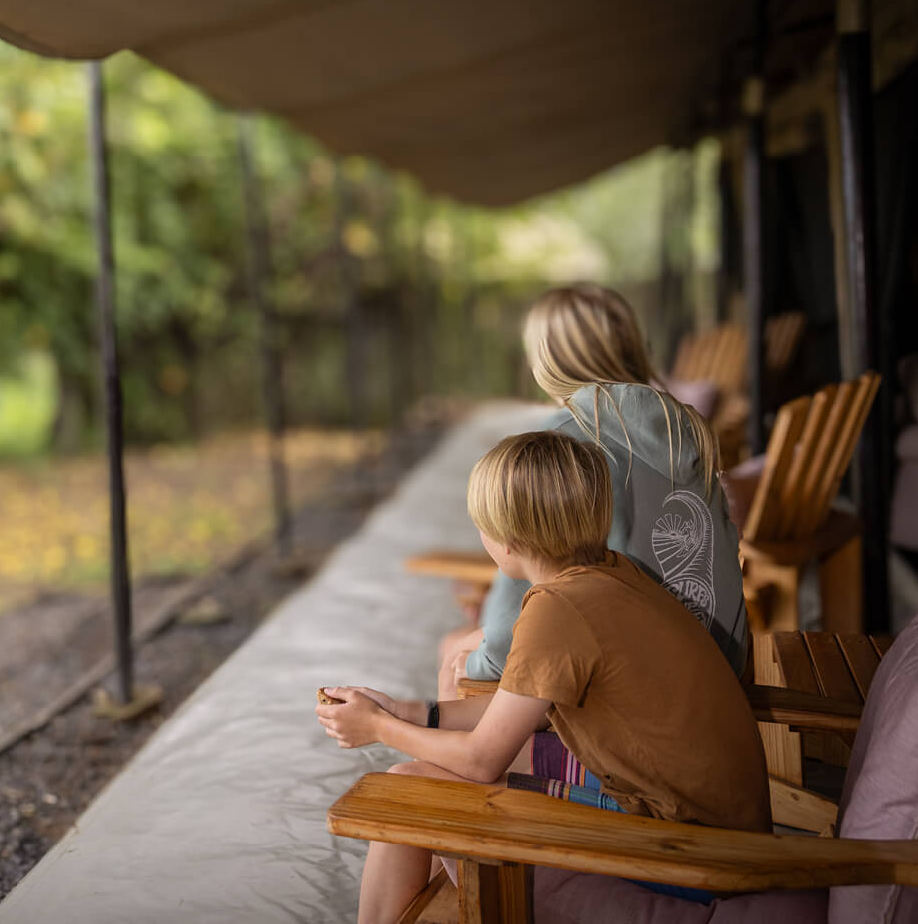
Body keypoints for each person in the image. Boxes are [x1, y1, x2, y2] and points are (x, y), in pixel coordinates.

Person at [319, 432, 770, 924]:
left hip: (693, 856)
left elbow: (480, 760)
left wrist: (378, 729)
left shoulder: (557, 609)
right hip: (711, 828)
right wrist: (407, 712)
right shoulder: (611, 572)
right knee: (431, 779)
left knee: (407, 788)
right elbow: (520, 709)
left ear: (508, 540)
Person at [439, 284, 750, 699]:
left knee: (454, 651)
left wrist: (479, 662)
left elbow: (514, 613)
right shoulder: (683, 427)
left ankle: (463, 762)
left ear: (547, 360)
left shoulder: (562, 446)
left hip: (641, 683)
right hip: (723, 659)